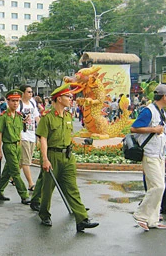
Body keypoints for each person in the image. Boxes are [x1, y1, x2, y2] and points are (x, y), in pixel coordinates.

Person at [37, 84, 98, 232]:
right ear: (59, 99)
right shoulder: (47, 117)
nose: (71, 99)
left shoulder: (69, 116)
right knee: (48, 188)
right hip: (52, 155)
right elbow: (43, 139)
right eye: (68, 97)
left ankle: (81, 219)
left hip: (68, 156)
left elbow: (68, 136)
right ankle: (44, 213)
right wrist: (45, 159)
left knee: (72, 188)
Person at [131, 84, 166, 231]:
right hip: (150, 154)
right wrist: (154, 129)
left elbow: (161, 132)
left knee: (154, 187)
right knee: (158, 186)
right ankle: (141, 215)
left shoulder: (161, 112)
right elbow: (134, 128)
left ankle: (152, 220)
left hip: (159, 154)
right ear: (164, 96)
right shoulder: (149, 111)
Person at [0, 89, 31, 205]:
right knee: (15, 172)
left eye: (17, 101)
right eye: (13, 101)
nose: (15, 103)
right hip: (8, 146)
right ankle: (24, 195)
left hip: (17, 145)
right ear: (8, 101)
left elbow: (20, 132)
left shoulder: (19, 116)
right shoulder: (4, 116)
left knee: (7, 171)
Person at [18, 85, 40, 191]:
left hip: (32, 134)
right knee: (26, 161)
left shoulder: (32, 103)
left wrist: (41, 130)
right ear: (22, 93)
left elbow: (36, 117)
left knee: (25, 159)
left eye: (31, 92)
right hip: (23, 135)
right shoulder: (18, 104)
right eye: (28, 92)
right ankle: (31, 184)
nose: (31, 94)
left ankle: (13, 176)